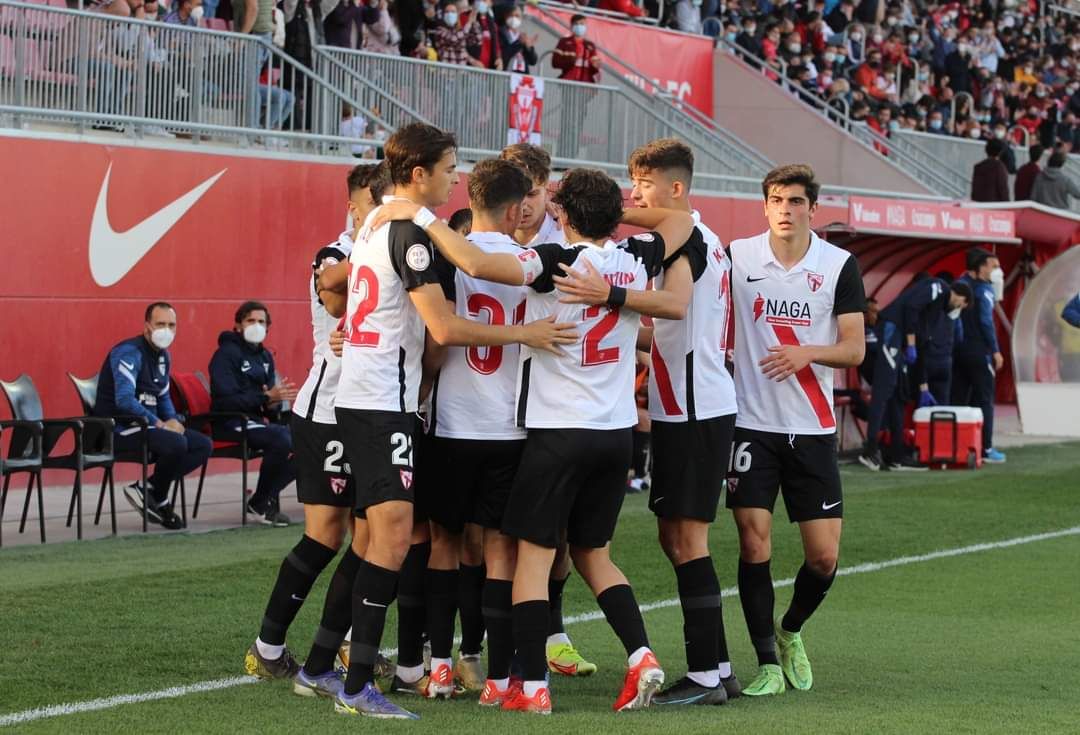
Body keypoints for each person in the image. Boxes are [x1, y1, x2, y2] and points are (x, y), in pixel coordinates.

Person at [374, 167, 697, 715]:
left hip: (557, 433)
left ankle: (532, 685)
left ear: (562, 214)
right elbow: (681, 219)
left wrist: (421, 214)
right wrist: (615, 276)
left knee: (529, 558)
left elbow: (476, 262)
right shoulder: (637, 255)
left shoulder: (554, 261)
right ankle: (641, 655)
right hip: (616, 432)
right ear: (612, 214)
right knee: (595, 553)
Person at [311, 123, 575, 719]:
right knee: (394, 540)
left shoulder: (384, 220)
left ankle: (335, 669)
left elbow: (339, 283)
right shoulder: (410, 229)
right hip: (384, 401)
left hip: (383, 398)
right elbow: (447, 329)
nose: (455, 179)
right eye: (449, 168)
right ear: (419, 173)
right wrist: (525, 330)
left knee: (387, 540)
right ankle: (355, 683)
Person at [593, 138, 742, 705]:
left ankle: (706, 675)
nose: (635, 195)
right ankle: (719, 665)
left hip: (695, 406)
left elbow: (675, 307)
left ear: (676, 189)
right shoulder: (705, 238)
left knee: (687, 539)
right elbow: (682, 328)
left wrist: (609, 296)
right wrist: (632, 337)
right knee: (676, 535)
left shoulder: (686, 240)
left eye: (644, 185)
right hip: (690, 401)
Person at [243, 164, 391, 687]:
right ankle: (269, 645)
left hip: (371, 412)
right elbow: (335, 298)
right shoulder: (335, 256)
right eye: (383, 200)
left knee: (371, 539)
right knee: (327, 536)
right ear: (355, 207)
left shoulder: (393, 249)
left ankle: (342, 647)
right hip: (328, 412)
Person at [726, 164, 866, 697]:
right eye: (777, 200)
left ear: (813, 208)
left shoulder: (838, 266)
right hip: (750, 425)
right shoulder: (737, 257)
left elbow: (854, 348)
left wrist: (807, 351)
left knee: (824, 557)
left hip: (811, 429)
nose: (786, 209)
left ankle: (789, 632)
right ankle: (765, 662)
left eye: (797, 201)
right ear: (765, 206)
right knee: (752, 540)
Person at [499, 142, 595, 676]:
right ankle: (478, 649)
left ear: (549, 193)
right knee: (482, 538)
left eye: (535, 192)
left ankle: (551, 633)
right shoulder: (476, 237)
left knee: (552, 539)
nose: (527, 204)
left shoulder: (567, 249)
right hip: (486, 408)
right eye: (519, 193)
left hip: (549, 412)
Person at [94, 303, 212, 530]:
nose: (166, 330)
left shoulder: (163, 357)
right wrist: (159, 423)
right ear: (147, 326)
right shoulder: (129, 352)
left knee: (202, 445)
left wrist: (173, 420)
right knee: (176, 443)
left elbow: (163, 397)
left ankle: (151, 490)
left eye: (171, 325)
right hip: (117, 429)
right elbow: (125, 400)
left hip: (149, 428)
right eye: (160, 324)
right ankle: (159, 498)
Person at [858, 278, 972, 472]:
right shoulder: (939, 288)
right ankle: (870, 450)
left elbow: (921, 346)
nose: (958, 308)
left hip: (900, 341)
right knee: (883, 391)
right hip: (892, 331)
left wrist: (923, 386)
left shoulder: (936, 313)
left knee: (899, 396)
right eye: (962, 304)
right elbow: (911, 307)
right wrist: (910, 343)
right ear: (960, 296)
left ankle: (897, 455)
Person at [209, 301, 298, 526]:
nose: (256, 326)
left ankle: (260, 500)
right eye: (251, 321)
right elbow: (225, 400)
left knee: (307, 441)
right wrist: (266, 398)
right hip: (229, 422)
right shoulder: (225, 355)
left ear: (267, 328)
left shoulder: (265, 356)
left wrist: (274, 402)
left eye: (261, 322)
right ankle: (260, 503)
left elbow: (268, 399)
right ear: (238, 325)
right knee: (280, 439)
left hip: (256, 421)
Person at [952, 247, 1007, 464]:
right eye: (994, 266)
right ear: (982, 266)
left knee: (959, 399)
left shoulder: (960, 283)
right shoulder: (984, 290)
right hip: (978, 352)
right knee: (984, 399)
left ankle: (956, 445)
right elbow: (986, 321)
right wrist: (995, 350)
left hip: (958, 351)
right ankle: (986, 448)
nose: (998, 271)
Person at [552, 14, 600, 84]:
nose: (579, 26)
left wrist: (595, 66)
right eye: (576, 24)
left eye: (582, 24)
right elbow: (555, 63)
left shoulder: (590, 45)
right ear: (571, 26)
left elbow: (595, 67)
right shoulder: (564, 42)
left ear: (586, 26)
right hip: (568, 80)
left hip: (586, 83)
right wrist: (572, 60)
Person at [498, 6, 538, 74]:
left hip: (521, 78)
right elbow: (503, 55)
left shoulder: (523, 36)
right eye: (511, 15)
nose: (514, 18)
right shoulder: (499, 34)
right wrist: (518, 43)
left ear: (521, 18)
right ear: (506, 17)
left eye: (517, 16)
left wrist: (529, 48)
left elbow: (533, 61)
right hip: (505, 75)